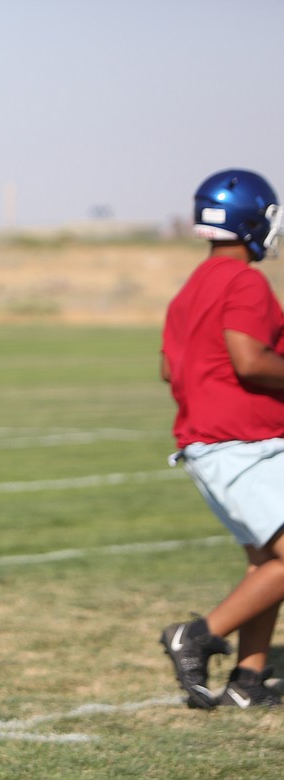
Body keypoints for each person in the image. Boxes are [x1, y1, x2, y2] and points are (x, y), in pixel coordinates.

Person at [160, 168, 284, 709]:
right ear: (253, 218)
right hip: (242, 442)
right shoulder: (245, 281)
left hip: (210, 443)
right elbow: (249, 360)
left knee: (267, 564)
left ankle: (247, 682)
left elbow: (169, 369)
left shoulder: (193, 287)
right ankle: (198, 635)